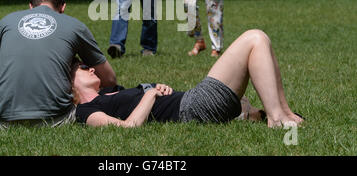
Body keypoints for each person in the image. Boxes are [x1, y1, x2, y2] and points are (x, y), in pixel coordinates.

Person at [72, 29, 304, 128]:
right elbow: (127, 128)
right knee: (255, 38)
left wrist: (153, 87)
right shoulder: (85, 111)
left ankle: (284, 113)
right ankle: (275, 119)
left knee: (259, 38)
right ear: (69, 82)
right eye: (83, 68)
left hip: (192, 100)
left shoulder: (106, 93)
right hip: (193, 108)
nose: (92, 69)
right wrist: (150, 95)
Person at [0, 0, 117, 128]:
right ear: (63, 7)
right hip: (57, 119)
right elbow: (109, 79)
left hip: (5, 122)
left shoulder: (6, 22)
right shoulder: (75, 26)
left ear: (30, 6)